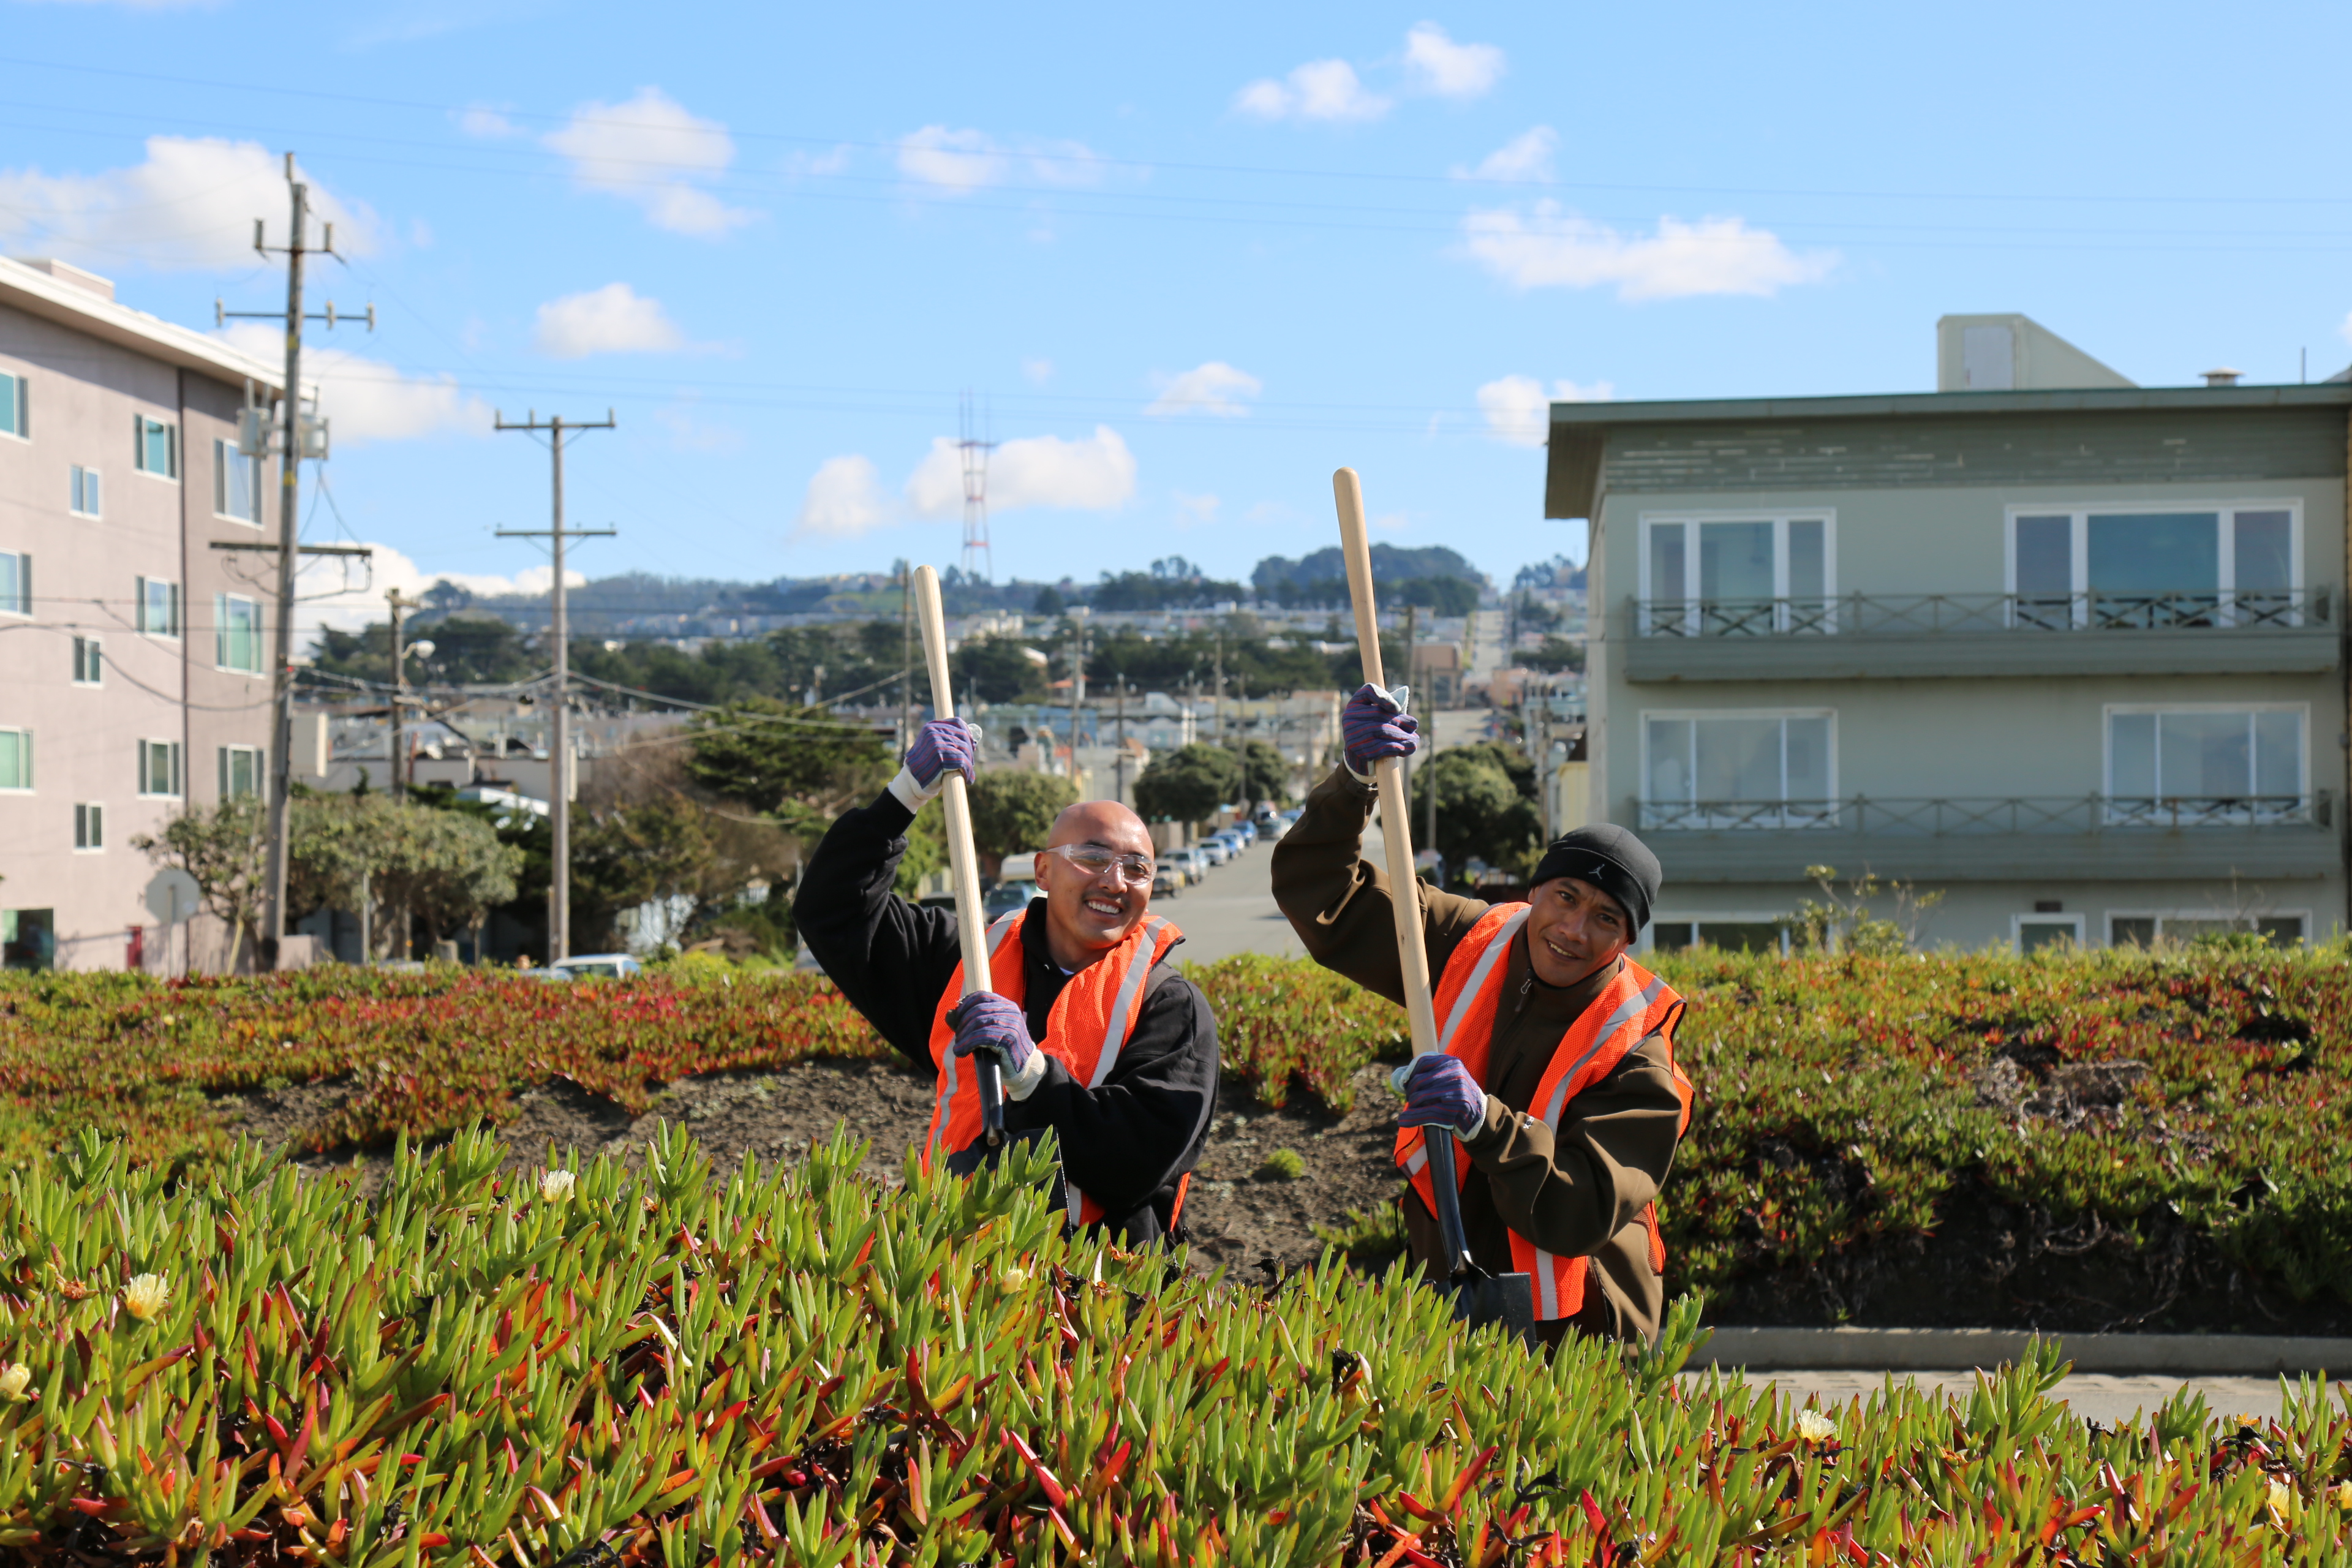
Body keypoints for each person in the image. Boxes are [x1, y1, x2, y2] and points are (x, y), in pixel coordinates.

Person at [1271, 684, 1694, 1347]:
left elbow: (1577, 1211)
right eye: (1566, 896)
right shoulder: (1464, 937)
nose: (1573, 929)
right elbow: (1324, 895)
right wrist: (1354, 781)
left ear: (1626, 941)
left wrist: (1484, 1121)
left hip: (1580, 1327)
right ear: (1535, 890)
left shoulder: (1638, 1050)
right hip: (1452, 1289)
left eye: (1605, 917)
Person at [796, 717, 1219, 1243]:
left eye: (1138, 868)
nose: (1115, 881)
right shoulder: (967, 960)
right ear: (1042, 872)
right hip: (948, 1274)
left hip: (1094, 1299)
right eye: (1092, 857)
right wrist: (904, 794)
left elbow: (1138, 1161)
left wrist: (1034, 1077)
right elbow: (830, 909)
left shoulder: (1170, 1006)